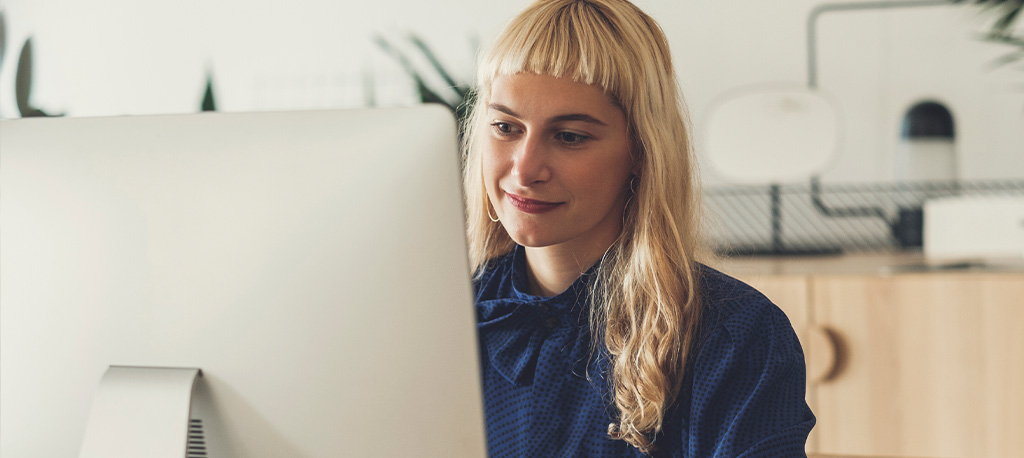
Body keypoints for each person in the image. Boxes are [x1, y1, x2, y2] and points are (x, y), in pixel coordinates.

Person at [461, 0, 816, 456]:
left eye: (569, 136)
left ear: (641, 152)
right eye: (506, 127)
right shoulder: (438, 325)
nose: (524, 169)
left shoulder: (735, 337)